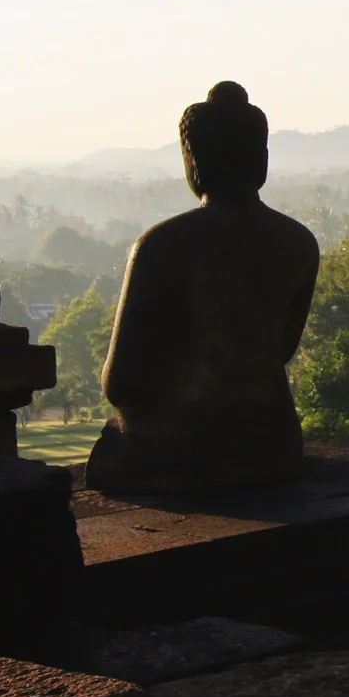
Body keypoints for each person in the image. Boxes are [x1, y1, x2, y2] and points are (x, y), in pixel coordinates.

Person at [84, 82, 320, 492]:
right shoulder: (299, 242)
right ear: (261, 159)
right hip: (273, 443)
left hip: (185, 449)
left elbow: (120, 383)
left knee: (110, 450)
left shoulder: (161, 245)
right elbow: (278, 352)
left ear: (193, 159)